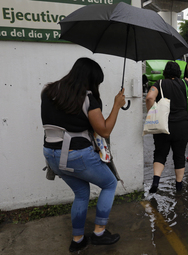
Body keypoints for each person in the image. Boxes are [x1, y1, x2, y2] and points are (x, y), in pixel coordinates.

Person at [41, 57, 126, 252]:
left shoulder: (48, 91)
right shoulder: (87, 98)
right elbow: (104, 130)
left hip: (51, 155)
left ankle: (78, 240)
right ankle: (99, 233)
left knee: (81, 193)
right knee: (110, 183)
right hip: (76, 155)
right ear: (90, 79)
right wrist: (116, 105)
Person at [146, 61, 188, 193]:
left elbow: (149, 98)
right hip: (182, 126)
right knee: (179, 155)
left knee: (160, 153)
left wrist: (152, 112)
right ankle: (179, 186)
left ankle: (156, 181)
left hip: (163, 126)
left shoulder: (159, 84)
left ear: (165, 72)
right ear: (178, 73)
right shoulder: (184, 83)